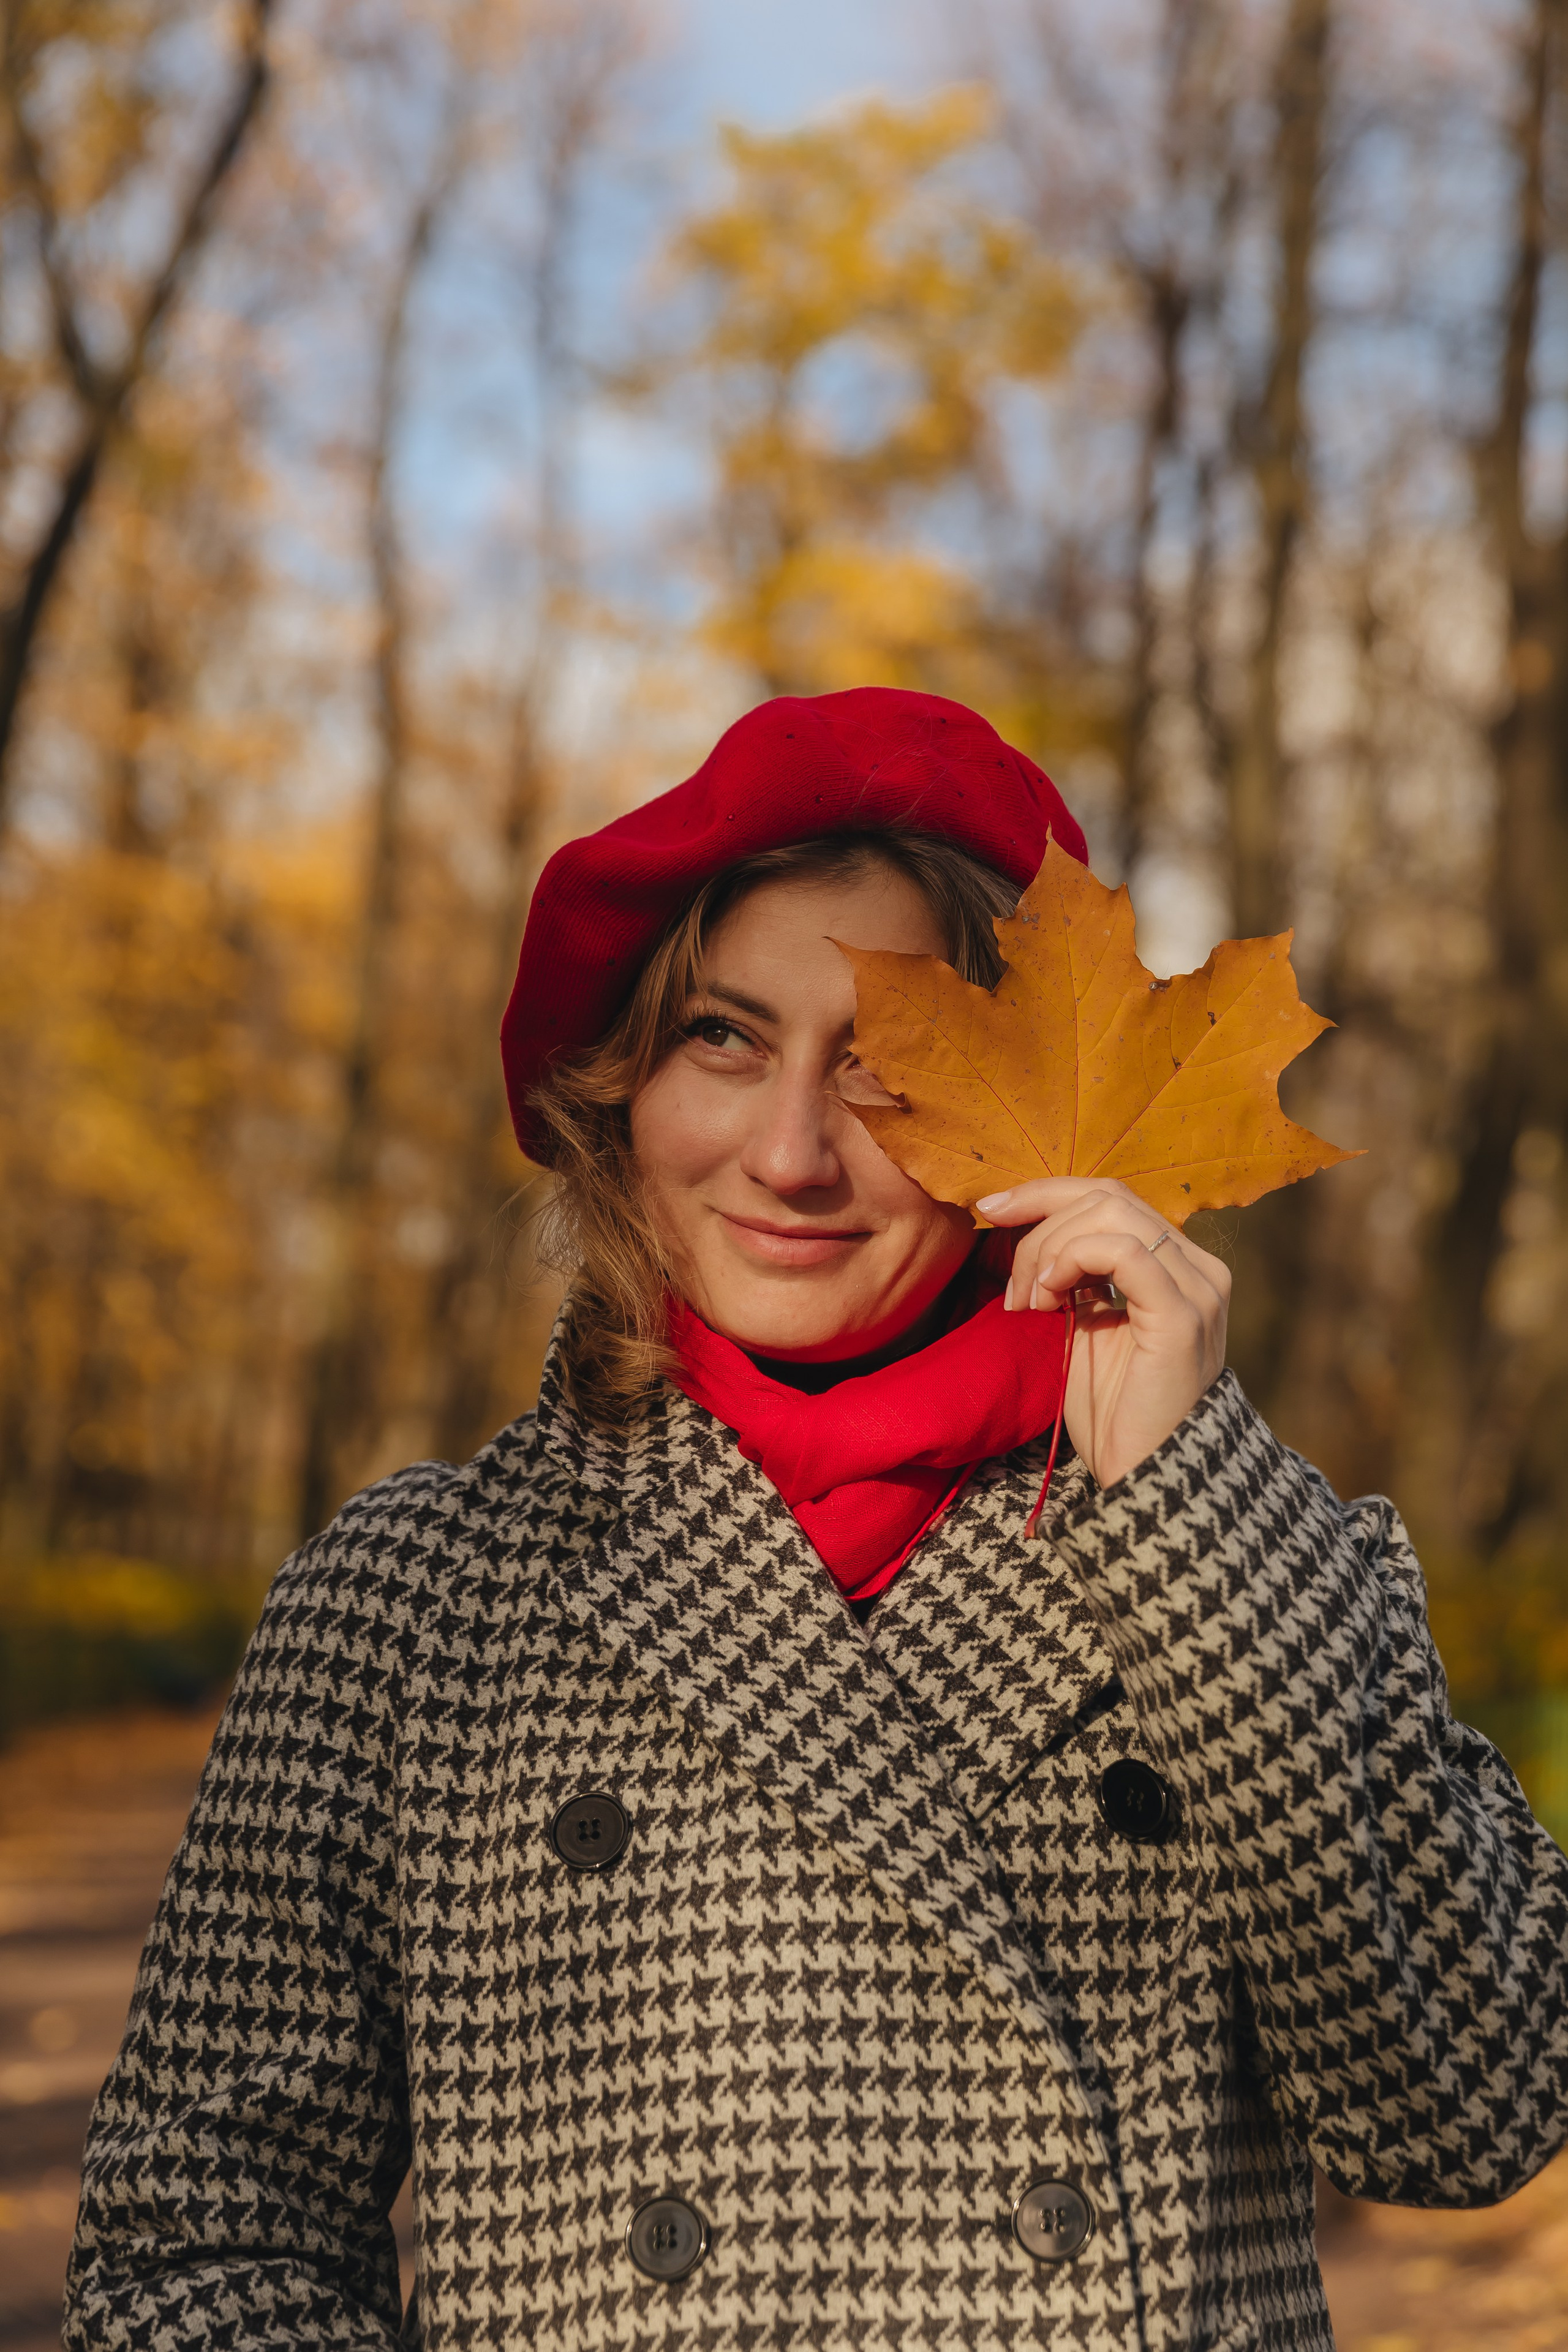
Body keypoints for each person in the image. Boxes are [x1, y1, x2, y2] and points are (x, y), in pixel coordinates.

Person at [65, 688, 1568, 2352]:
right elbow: (192, 2262)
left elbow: (1474, 2118)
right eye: (723, 1037)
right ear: (624, 1088)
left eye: (885, 1066)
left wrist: (1188, 1504)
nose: (790, 1152)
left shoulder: (1245, 1558)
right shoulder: (416, 1605)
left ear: (1029, 1129)